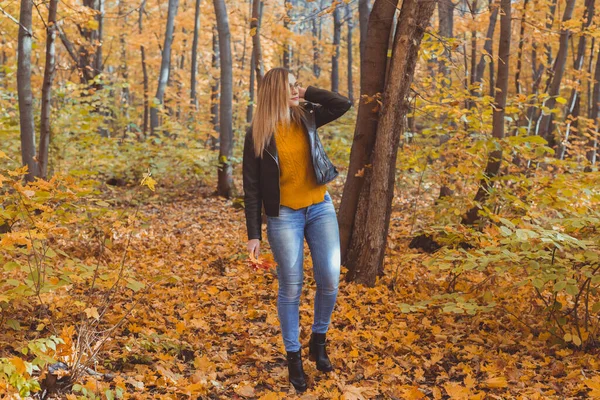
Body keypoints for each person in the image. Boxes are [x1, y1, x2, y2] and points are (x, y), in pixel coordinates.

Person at [242, 67, 352, 392]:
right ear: (275, 90)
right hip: (283, 216)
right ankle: (294, 358)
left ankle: (319, 340)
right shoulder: (258, 133)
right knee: (291, 287)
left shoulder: (306, 116)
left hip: (319, 206)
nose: (296, 90)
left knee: (330, 278)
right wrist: (253, 234)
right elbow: (251, 187)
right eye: (290, 86)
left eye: (297, 85)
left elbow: (343, 104)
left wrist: (306, 94)